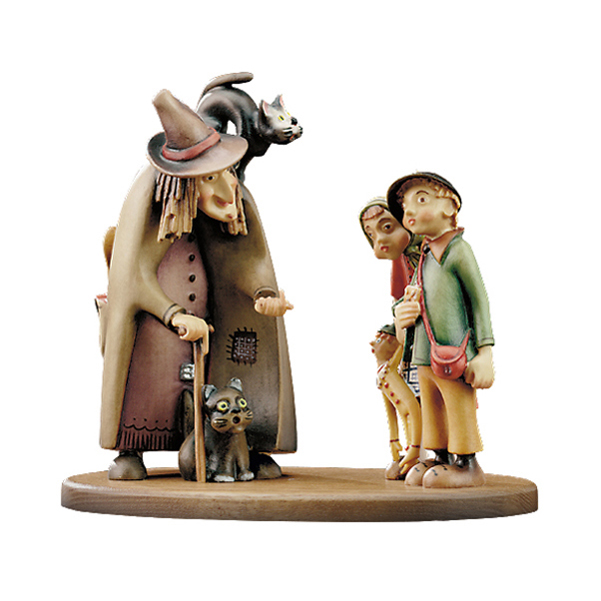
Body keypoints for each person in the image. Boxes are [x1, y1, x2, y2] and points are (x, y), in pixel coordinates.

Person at [100, 90, 295, 480]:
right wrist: (174, 315)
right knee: (150, 388)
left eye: (226, 173)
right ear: (182, 185)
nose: (227, 189)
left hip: (211, 331)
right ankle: (131, 449)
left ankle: (246, 446)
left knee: (223, 387)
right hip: (157, 329)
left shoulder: (227, 211)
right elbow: (135, 278)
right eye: (209, 178)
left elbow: (244, 260)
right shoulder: (149, 210)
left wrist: (263, 293)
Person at [387, 172, 494, 488]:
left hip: (454, 351)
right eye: (406, 206)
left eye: (421, 199)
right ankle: (440, 456)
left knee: (456, 403)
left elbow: (479, 301)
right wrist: (400, 313)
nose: (409, 210)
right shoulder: (424, 257)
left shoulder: (459, 251)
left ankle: (467, 463)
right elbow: (410, 297)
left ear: (450, 206)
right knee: (431, 405)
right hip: (424, 352)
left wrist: (485, 352)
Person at [359, 198, 422, 478]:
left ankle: (424, 453)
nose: (379, 241)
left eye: (387, 228)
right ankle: (410, 450)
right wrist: (397, 322)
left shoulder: (431, 256)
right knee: (409, 393)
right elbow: (399, 301)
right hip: (411, 338)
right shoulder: (403, 262)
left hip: (432, 342)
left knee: (424, 400)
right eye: (372, 235)